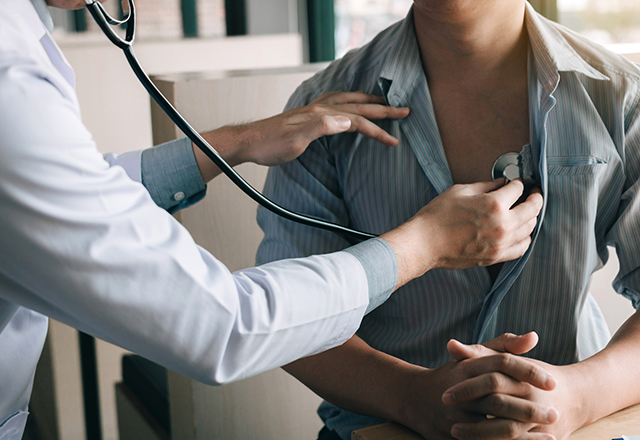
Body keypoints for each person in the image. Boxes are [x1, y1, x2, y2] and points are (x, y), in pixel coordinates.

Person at [0, 0, 548, 438]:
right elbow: (222, 325)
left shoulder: (616, 94)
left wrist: (236, 143)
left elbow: (69, 195)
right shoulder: (9, 80)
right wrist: (425, 244)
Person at [256, 0, 640, 439]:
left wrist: (577, 396)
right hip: (383, 427)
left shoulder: (623, 99)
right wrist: (410, 395)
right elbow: (286, 319)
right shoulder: (320, 110)